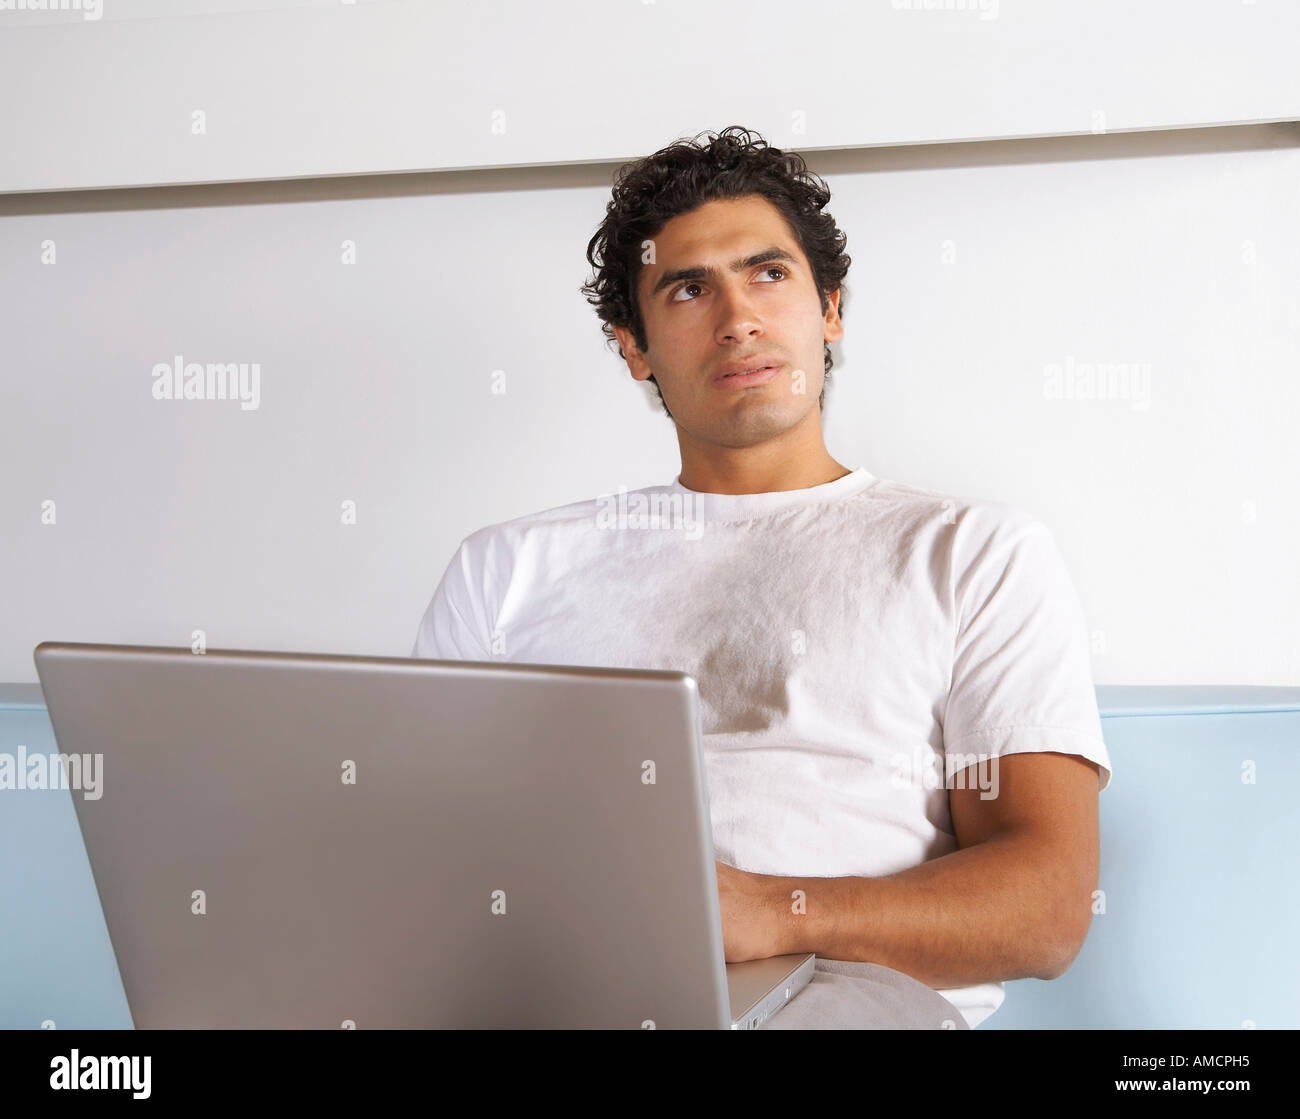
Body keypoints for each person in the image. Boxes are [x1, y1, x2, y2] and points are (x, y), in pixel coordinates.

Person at [413, 125, 1112, 1029]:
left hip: (840, 987)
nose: (737, 316)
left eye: (769, 274)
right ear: (635, 347)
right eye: (689, 287)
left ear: (830, 311)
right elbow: (422, 854)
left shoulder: (972, 552)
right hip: (563, 984)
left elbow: (1046, 906)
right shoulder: (504, 571)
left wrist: (769, 911)